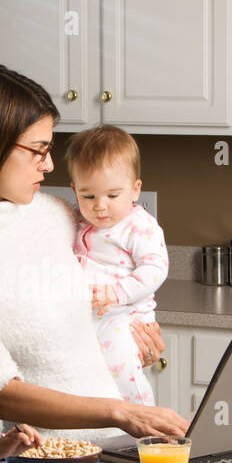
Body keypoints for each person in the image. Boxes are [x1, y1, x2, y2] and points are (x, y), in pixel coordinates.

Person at [0, 64, 188, 442]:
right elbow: (1, 393)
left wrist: (139, 339)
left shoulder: (58, 214)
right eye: (38, 151)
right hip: (50, 462)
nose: (50, 164)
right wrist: (118, 412)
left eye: (49, 149)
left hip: (123, 442)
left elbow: (102, 300)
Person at [66, 124, 169, 406]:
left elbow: (155, 268)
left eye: (112, 195)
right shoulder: (74, 220)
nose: (100, 206)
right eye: (88, 196)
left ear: (135, 190)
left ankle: (146, 420)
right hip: (87, 318)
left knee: (122, 370)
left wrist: (119, 293)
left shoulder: (138, 225)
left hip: (124, 316)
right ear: (74, 190)